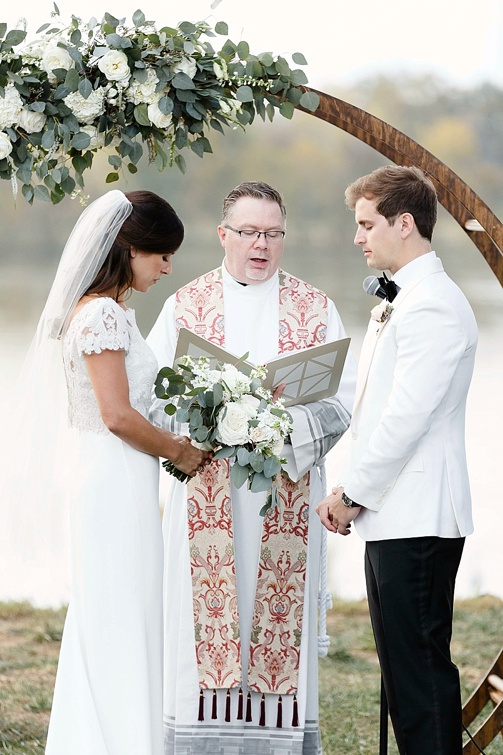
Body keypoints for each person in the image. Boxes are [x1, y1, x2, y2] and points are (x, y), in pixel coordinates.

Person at [147, 180, 357, 755]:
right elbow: (152, 397)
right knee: (200, 621)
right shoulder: (183, 308)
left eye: (272, 233)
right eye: (249, 232)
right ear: (224, 235)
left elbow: (343, 402)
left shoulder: (317, 309)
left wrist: (273, 425)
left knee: (276, 624)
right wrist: (212, 414)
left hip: (285, 497)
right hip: (206, 498)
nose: (261, 244)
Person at [2, 189, 209, 755]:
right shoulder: (101, 315)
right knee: (119, 612)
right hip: (112, 479)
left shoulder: (106, 311)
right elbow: (116, 416)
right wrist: (179, 452)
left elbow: (133, 405)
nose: (167, 267)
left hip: (119, 475)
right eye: (161, 255)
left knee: (121, 610)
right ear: (130, 248)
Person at [316, 166, 478, 755]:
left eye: (367, 224)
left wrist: (351, 493)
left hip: (419, 514)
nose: (358, 237)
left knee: (420, 677)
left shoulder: (433, 305)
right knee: (403, 674)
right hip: (396, 515)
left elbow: (406, 418)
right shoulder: (405, 299)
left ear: (404, 224)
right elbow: (375, 402)